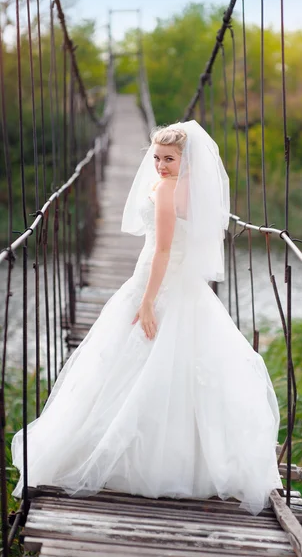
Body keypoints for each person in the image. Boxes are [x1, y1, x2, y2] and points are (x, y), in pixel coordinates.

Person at [11, 120, 283, 515]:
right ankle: (176, 458)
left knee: (136, 359)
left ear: (185, 160)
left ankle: (134, 458)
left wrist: (148, 302)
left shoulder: (171, 190)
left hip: (158, 284)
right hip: (175, 284)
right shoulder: (183, 187)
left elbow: (163, 252)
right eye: (156, 157)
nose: (159, 164)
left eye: (169, 159)